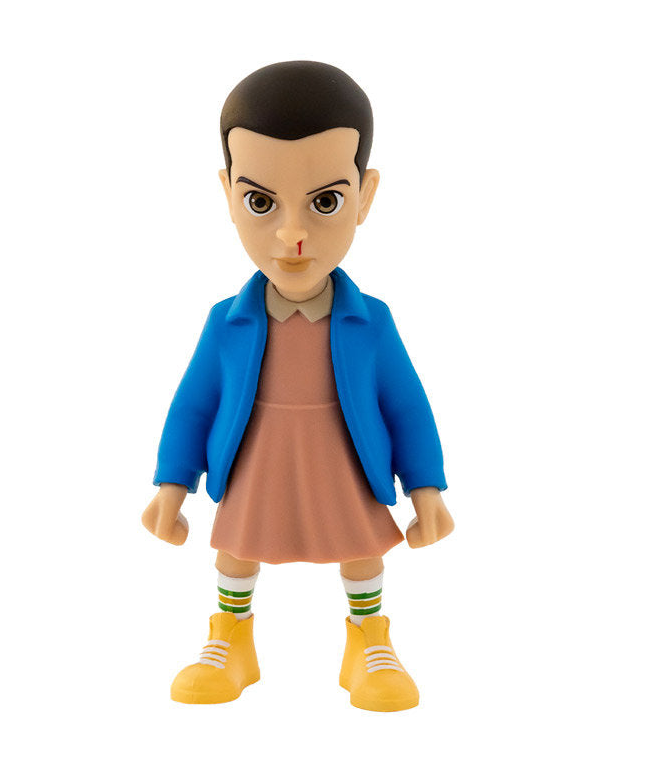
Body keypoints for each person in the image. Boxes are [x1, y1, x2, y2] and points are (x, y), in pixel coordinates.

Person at [141, 61, 454, 711]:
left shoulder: (372, 323)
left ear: (365, 195)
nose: (292, 235)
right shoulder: (226, 323)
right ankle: (231, 635)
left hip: (343, 459)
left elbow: (407, 409)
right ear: (228, 194)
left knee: (361, 548)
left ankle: (368, 638)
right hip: (257, 459)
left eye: (325, 201)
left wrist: (426, 489)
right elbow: (193, 407)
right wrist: (172, 486)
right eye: (261, 202)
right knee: (236, 549)